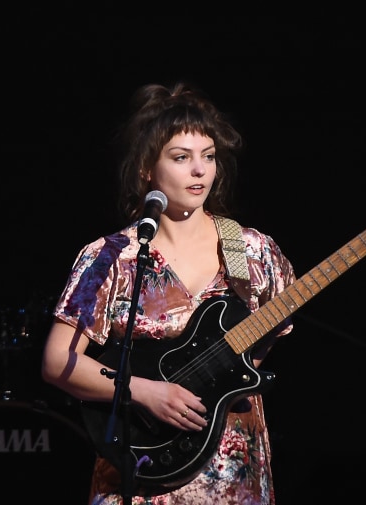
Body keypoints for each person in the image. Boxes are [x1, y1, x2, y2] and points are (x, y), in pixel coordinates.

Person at [41, 81, 296, 505]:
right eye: (181, 158)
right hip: (142, 471)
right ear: (147, 168)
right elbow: (57, 362)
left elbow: (261, 346)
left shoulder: (251, 250)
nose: (200, 171)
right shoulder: (113, 257)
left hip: (230, 474)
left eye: (208, 157)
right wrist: (148, 392)